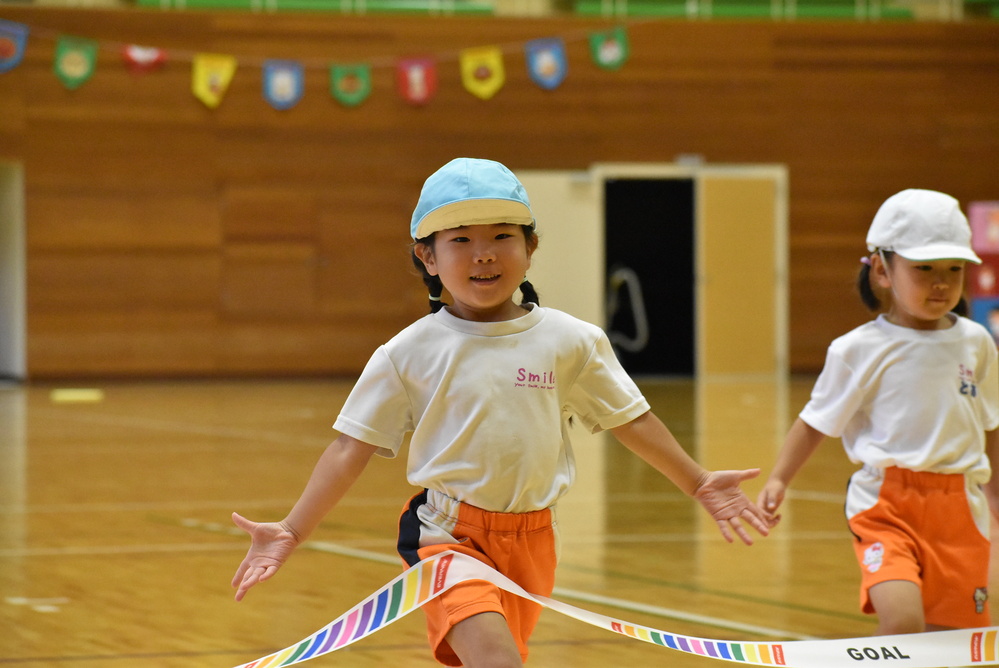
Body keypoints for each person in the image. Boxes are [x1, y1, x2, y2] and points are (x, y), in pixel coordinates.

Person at [231, 157, 775, 667]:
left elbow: (628, 419)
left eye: (501, 237)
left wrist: (699, 481)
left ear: (531, 246)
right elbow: (351, 447)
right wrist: (292, 530)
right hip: (445, 535)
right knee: (496, 660)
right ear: (427, 256)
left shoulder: (572, 341)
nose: (482, 253)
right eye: (460, 240)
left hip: (536, 540)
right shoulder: (406, 353)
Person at [758, 188, 999, 636]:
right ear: (883, 270)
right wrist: (779, 478)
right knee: (904, 621)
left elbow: (990, 424)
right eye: (923, 269)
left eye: (953, 269)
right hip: (887, 503)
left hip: (962, 507)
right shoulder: (858, 349)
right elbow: (816, 421)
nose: (941, 282)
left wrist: (995, 498)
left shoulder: (977, 342)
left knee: (948, 640)